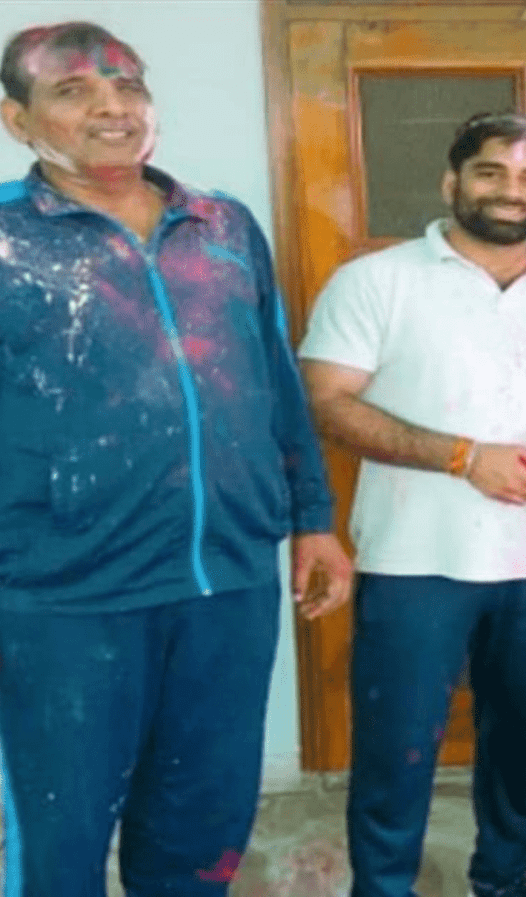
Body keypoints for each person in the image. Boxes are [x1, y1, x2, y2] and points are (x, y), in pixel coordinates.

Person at [0, 21, 352, 896]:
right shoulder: (9, 243)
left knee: (202, 831)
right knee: (60, 841)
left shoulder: (223, 224)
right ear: (17, 118)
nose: (111, 106)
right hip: (65, 597)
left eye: (128, 85)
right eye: (73, 90)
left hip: (227, 583)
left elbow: (273, 378)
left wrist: (313, 518)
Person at [299, 111, 526, 897]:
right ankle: (382, 886)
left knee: (519, 740)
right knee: (397, 745)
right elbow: (327, 403)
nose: (511, 191)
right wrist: (465, 457)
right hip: (415, 558)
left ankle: (504, 878)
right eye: (491, 172)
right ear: (453, 181)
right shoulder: (377, 279)